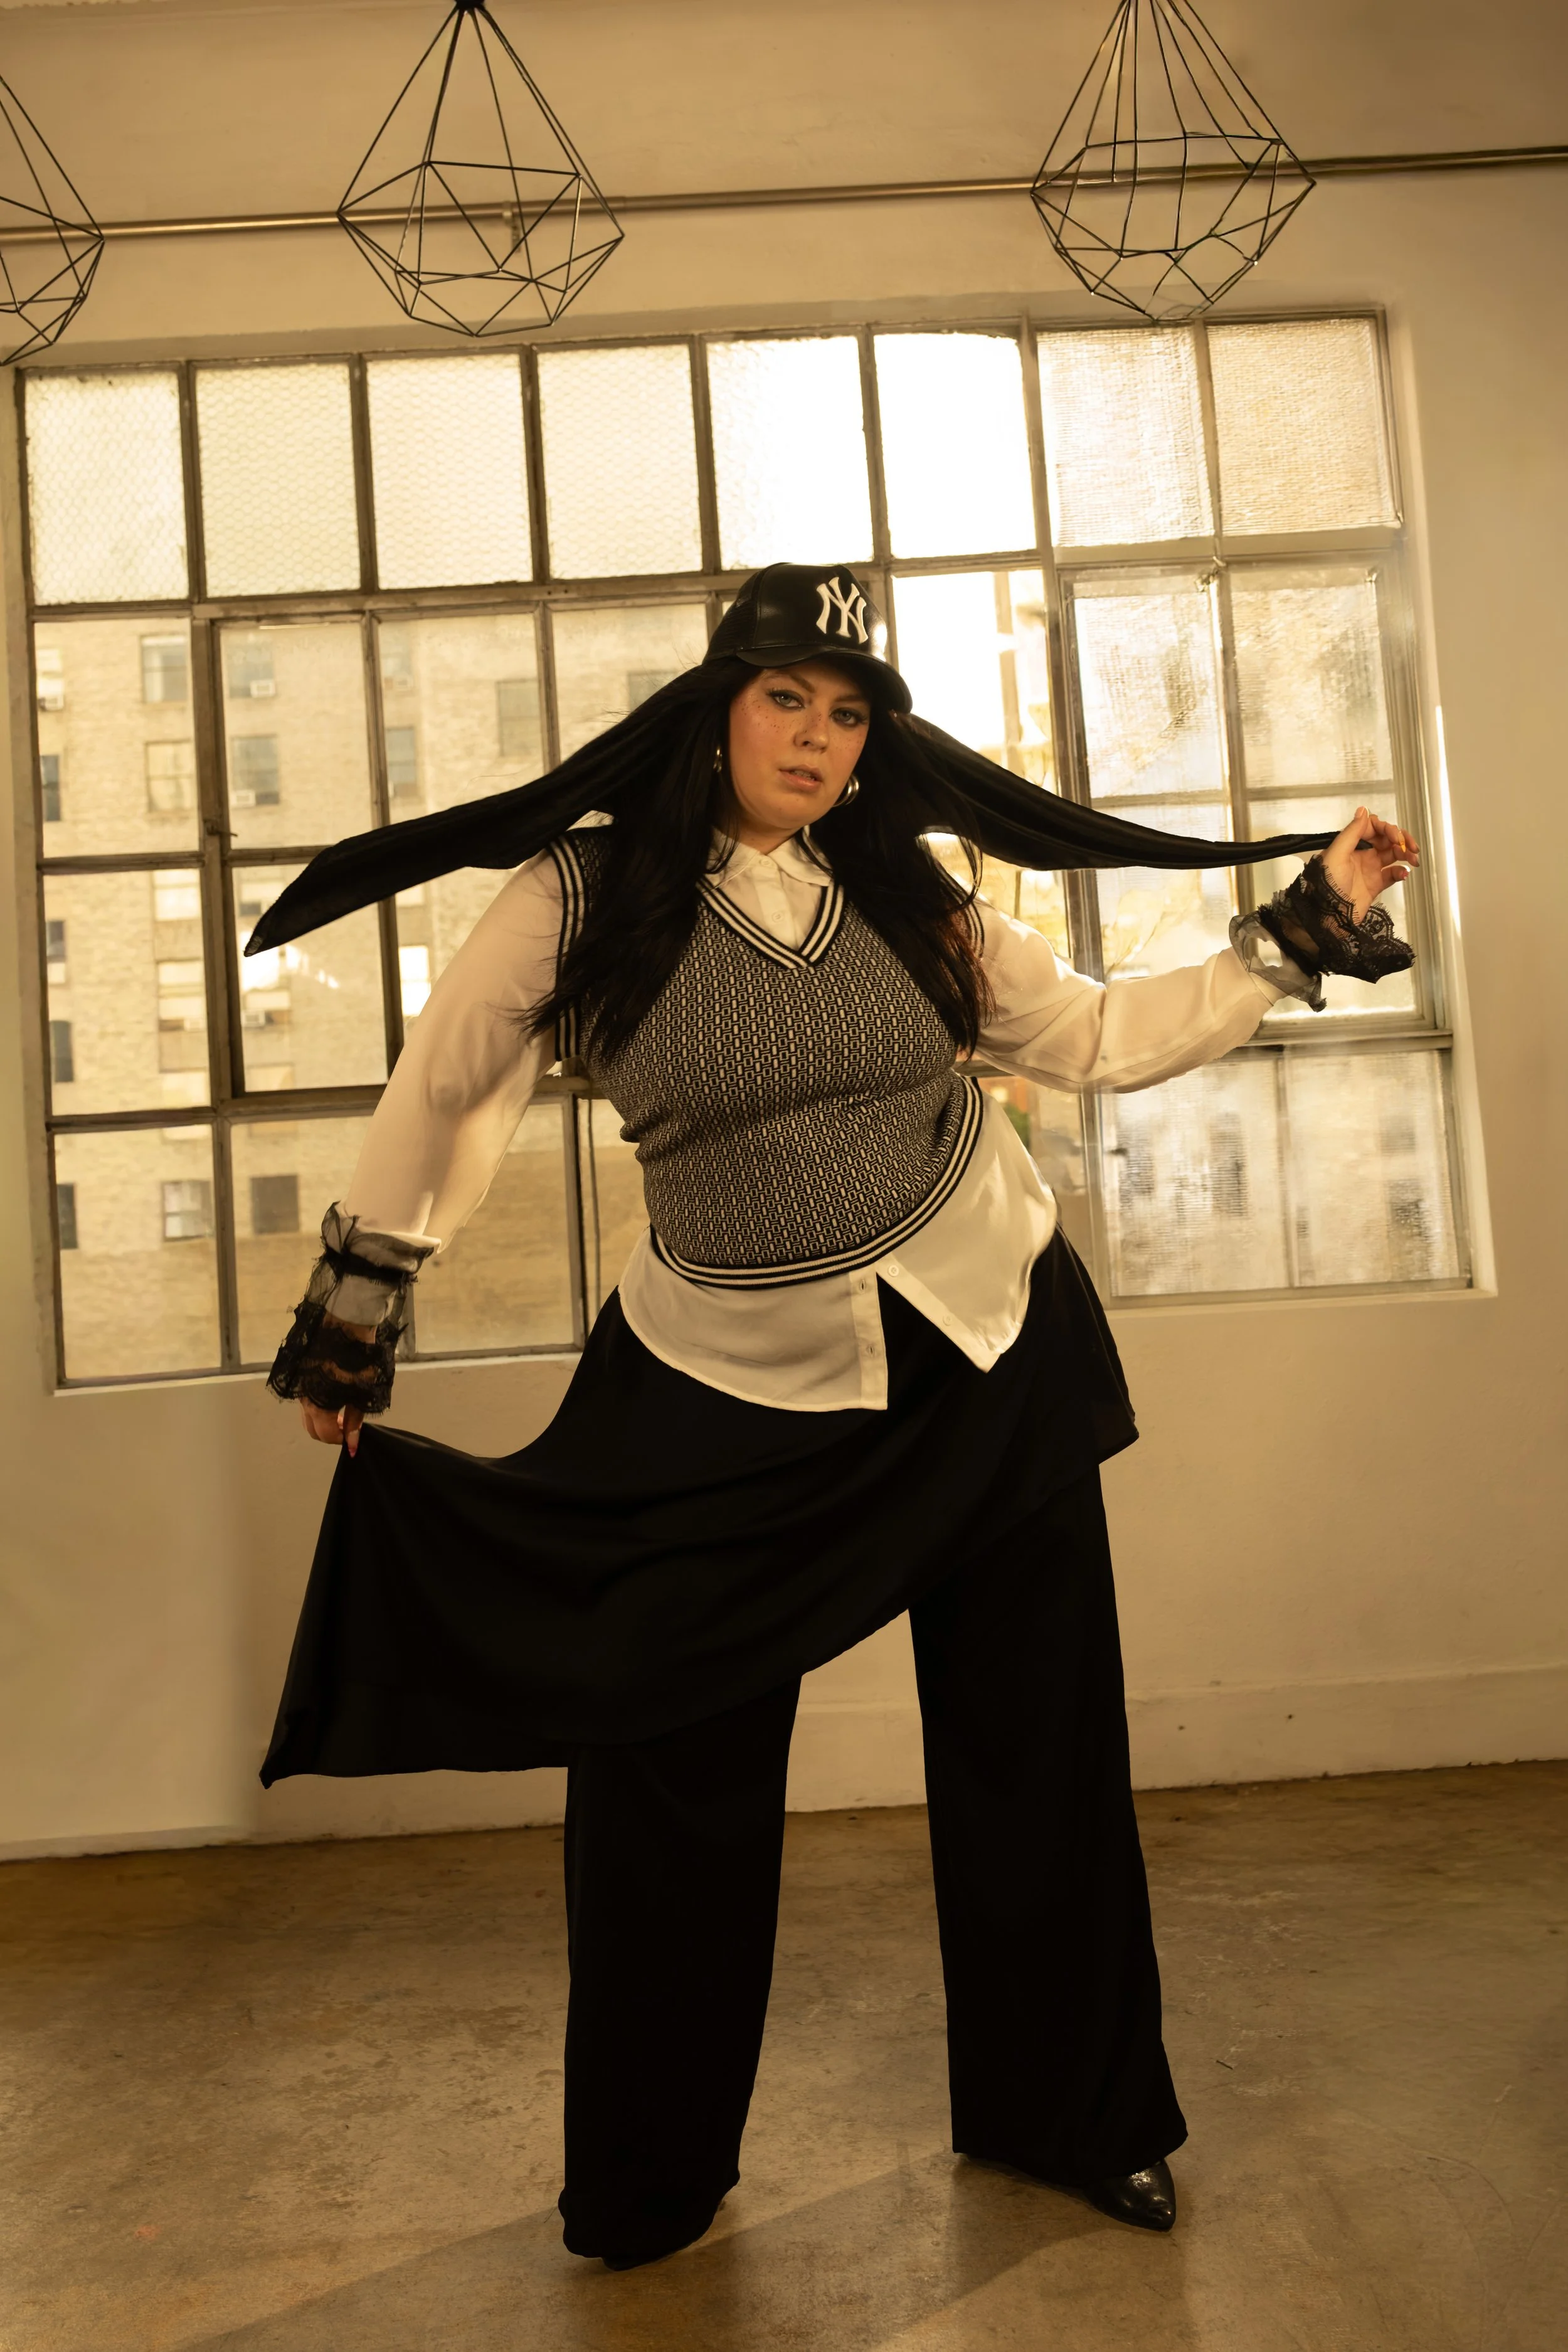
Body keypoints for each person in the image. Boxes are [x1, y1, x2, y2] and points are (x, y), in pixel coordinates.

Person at [256, 564, 1416, 2270]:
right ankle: (650, 2175)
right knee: (667, 1774)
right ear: (716, 703)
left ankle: (1071, 2115)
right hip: (725, 1377)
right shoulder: (578, 898)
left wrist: (1293, 925)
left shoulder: (903, 891)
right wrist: (357, 1318)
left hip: (991, 1340)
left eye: (847, 710)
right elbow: (447, 1093)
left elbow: (1087, 1035)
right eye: (785, 697)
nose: (813, 736)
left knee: (1040, 1745)